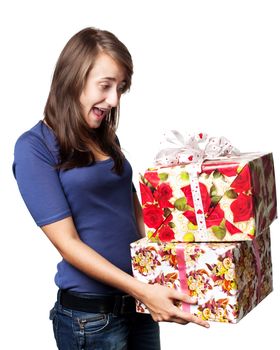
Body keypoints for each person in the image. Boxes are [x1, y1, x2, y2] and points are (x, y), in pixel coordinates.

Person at [13, 27, 210, 350]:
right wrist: (142, 290)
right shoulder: (34, 147)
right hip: (90, 319)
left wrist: (189, 258)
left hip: (138, 304)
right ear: (72, 78)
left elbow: (136, 216)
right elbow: (68, 244)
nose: (114, 100)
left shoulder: (105, 137)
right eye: (105, 86)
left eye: (120, 88)